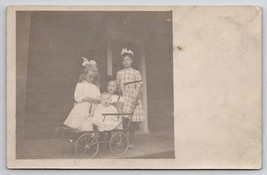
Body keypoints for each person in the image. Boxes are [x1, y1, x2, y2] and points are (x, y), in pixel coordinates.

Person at [116, 48, 145, 148]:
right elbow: (118, 86)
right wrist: (119, 90)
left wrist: (136, 98)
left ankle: (131, 141)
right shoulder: (119, 73)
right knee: (123, 121)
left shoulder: (136, 72)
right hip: (124, 98)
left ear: (132, 61)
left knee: (132, 122)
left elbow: (139, 86)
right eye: (124, 60)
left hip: (132, 98)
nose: (126, 62)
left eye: (128, 59)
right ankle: (123, 140)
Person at [63, 59, 101, 130]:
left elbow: (99, 97)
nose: (92, 79)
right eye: (90, 76)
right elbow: (77, 96)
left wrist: (97, 100)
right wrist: (85, 99)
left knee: (96, 113)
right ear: (85, 75)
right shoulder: (81, 85)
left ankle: (89, 130)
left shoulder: (96, 87)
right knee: (82, 110)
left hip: (94, 106)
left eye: (94, 77)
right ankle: (80, 127)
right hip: (84, 104)